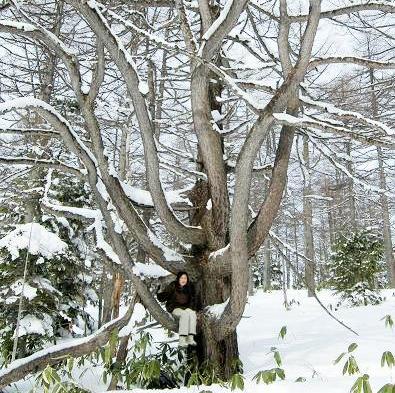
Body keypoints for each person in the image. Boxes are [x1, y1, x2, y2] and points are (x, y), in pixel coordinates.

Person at [157, 271, 198, 348]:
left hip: (186, 308)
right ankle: (182, 340)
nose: (183, 280)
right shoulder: (173, 285)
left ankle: (190, 338)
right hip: (174, 307)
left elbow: (192, 300)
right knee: (184, 314)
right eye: (181, 278)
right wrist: (159, 292)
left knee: (192, 314)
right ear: (178, 278)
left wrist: (192, 310)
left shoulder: (189, 287)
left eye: (185, 278)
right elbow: (164, 296)